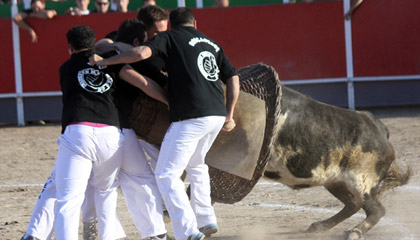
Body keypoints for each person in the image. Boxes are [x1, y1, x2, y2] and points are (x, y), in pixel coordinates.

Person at [90, 7, 240, 240]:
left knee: (166, 174)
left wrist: (108, 60)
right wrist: (229, 113)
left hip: (190, 115)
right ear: (195, 22)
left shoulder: (167, 38)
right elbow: (233, 76)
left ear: (170, 26)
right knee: (197, 165)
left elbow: (139, 55)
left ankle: (188, 231)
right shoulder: (211, 42)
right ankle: (206, 218)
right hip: (216, 114)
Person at [55, 25, 168, 239]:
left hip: (78, 131)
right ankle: (145, 234)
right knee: (108, 189)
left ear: (70, 47)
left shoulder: (65, 68)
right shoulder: (112, 62)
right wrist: (168, 101)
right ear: (93, 43)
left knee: (68, 199)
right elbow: (143, 83)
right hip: (112, 132)